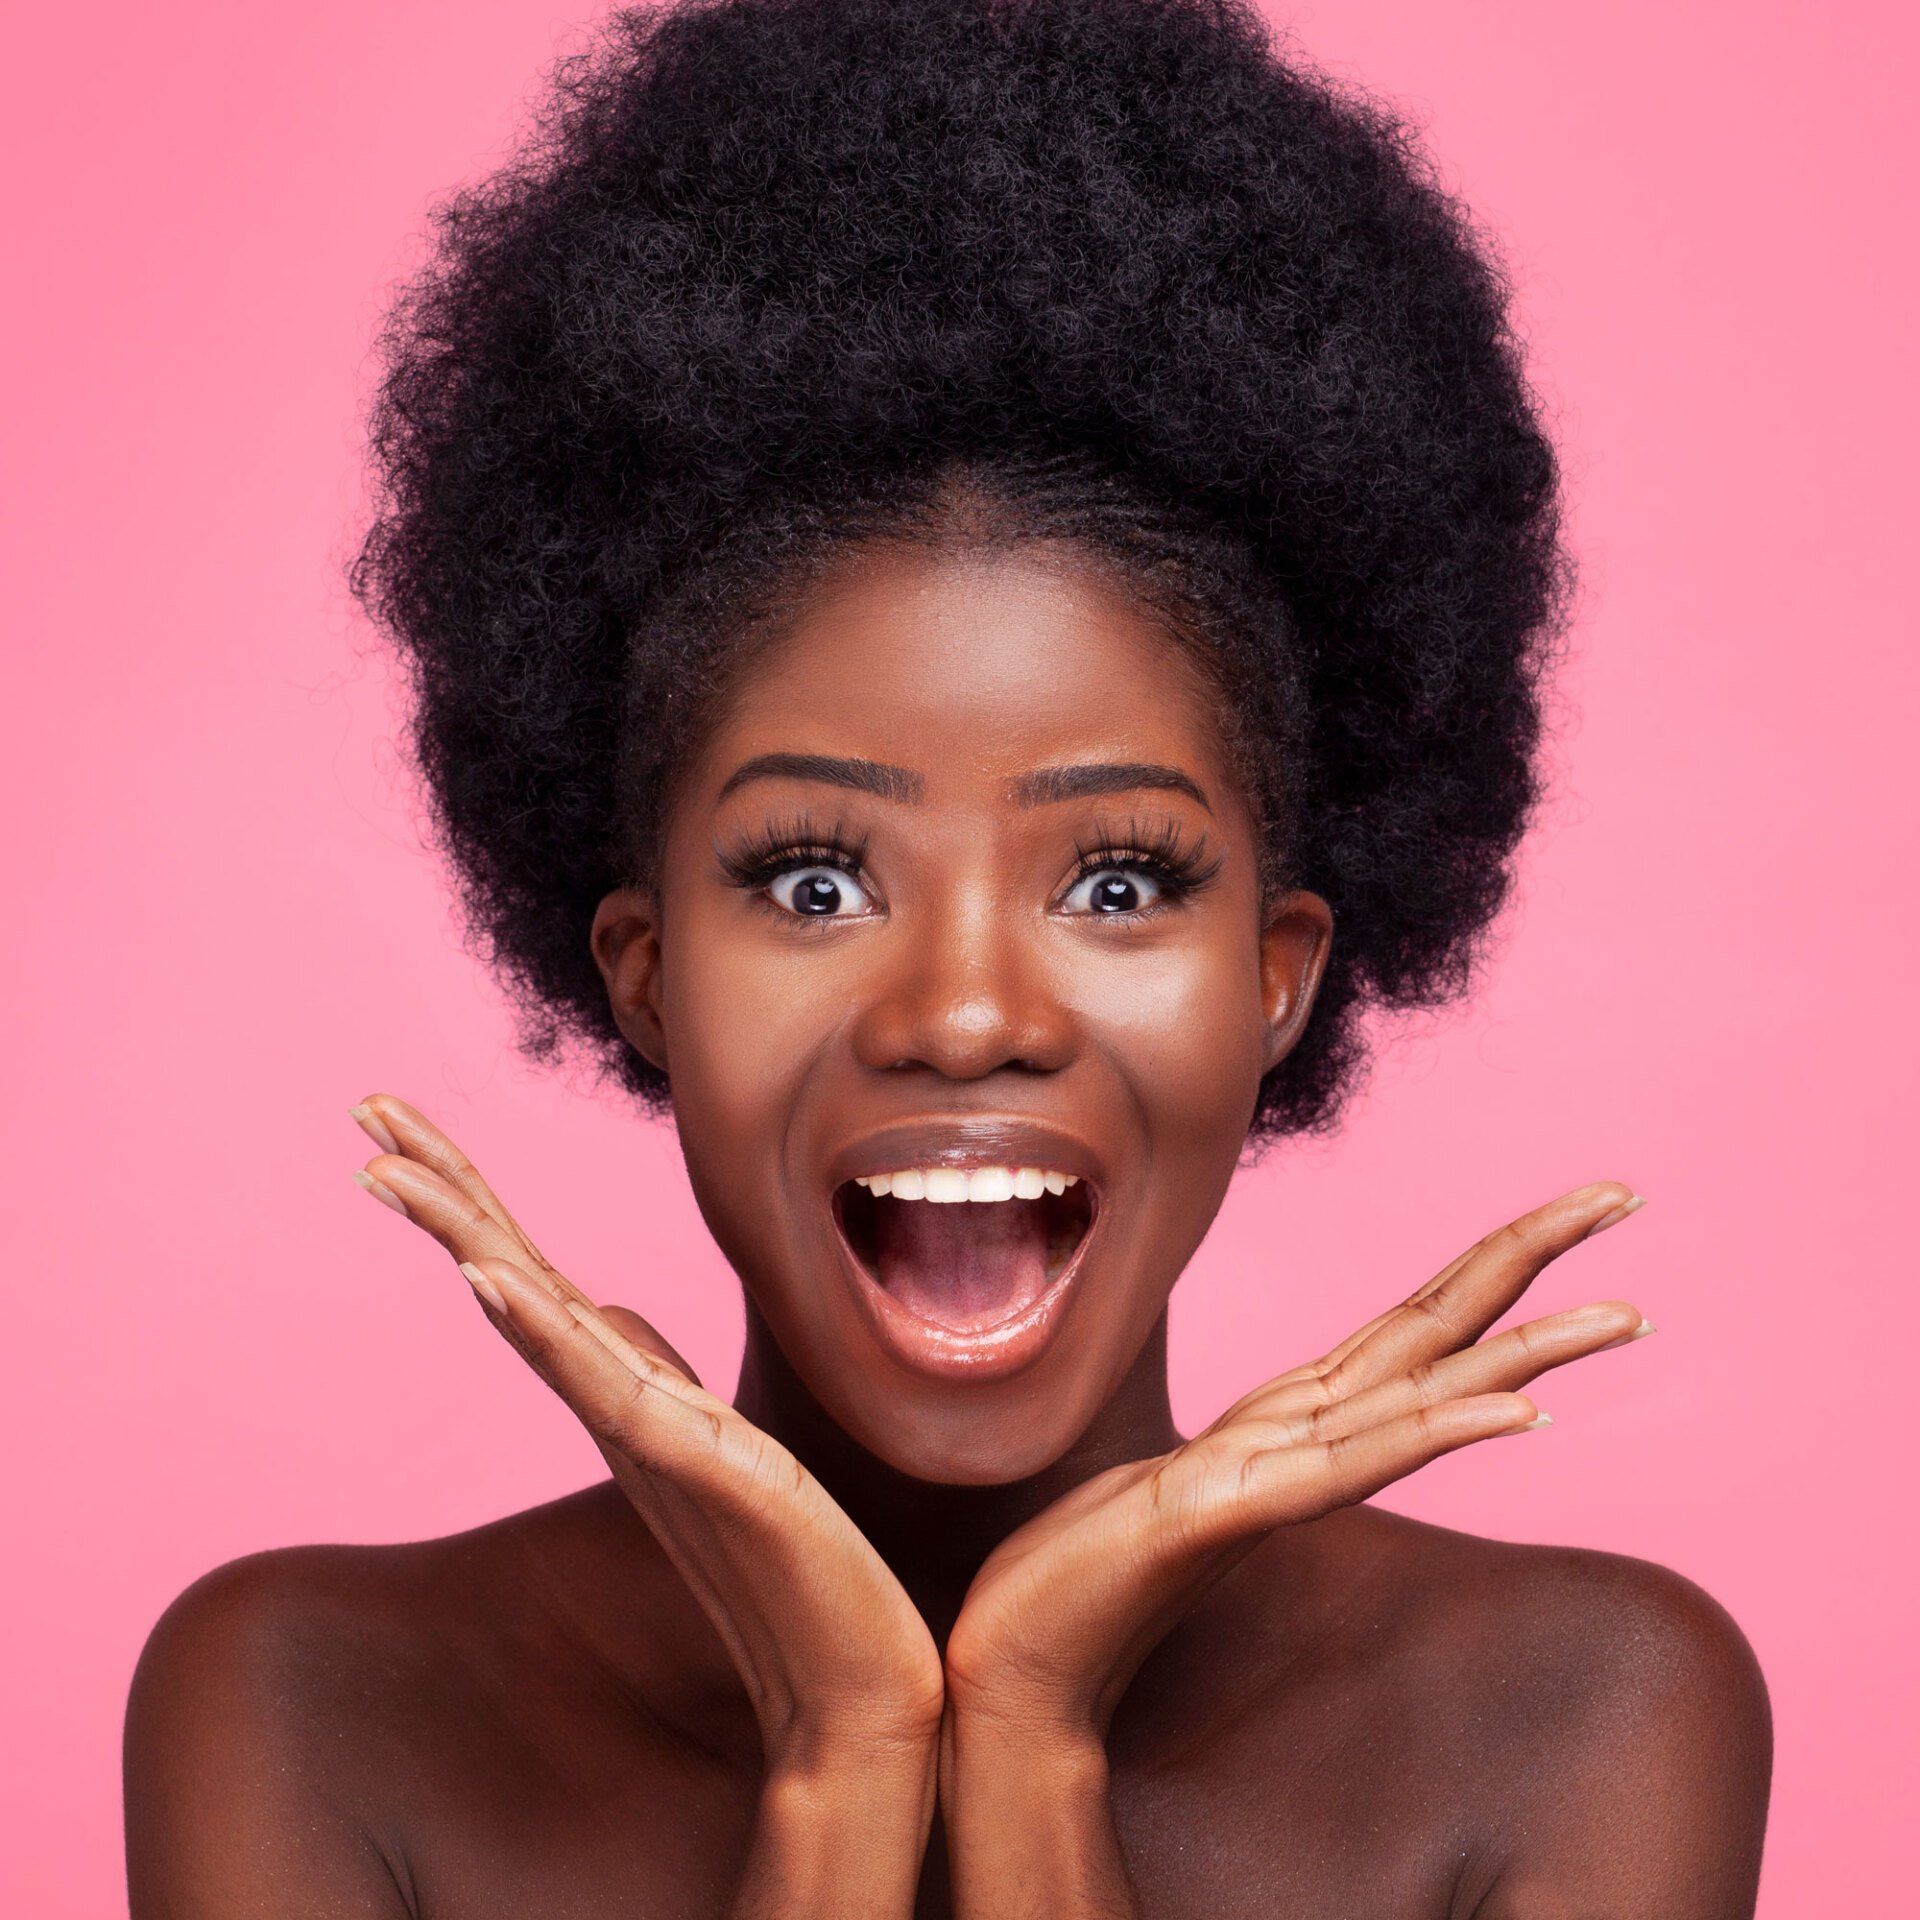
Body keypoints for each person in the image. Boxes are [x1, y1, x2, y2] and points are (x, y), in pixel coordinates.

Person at [122, 1, 1772, 1913]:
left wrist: (1031, 1743)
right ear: (646, 972)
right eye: (818, 882)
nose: (966, 1012)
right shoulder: (314, 1706)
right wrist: (845, 1764)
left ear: (1278, 974)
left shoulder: (1586, 1720)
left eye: (1121, 883)